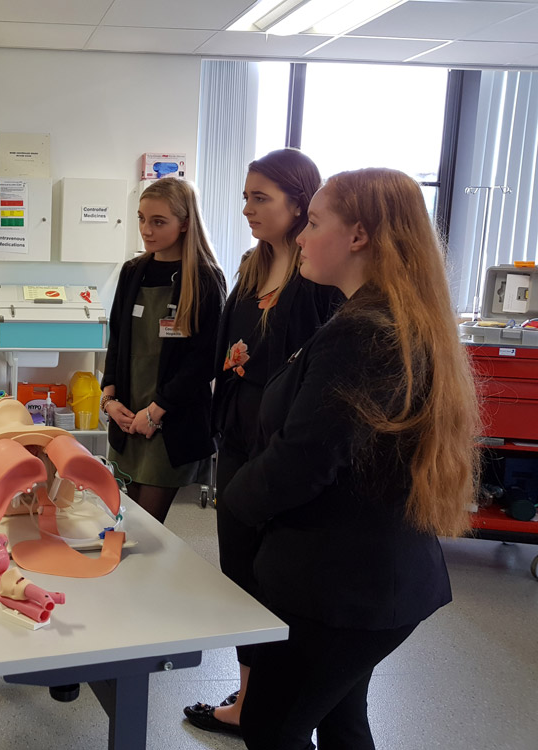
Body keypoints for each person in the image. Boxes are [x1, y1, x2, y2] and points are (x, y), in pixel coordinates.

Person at [195, 167, 479, 749]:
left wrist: (235, 501)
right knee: (343, 721)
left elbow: (304, 458)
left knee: (272, 727)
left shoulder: (365, 333)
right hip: (367, 583)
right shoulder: (376, 318)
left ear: (359, 236)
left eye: (315, 222)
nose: (301, 235)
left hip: (345, 587)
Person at [185, 148, 343, 732]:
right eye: (246, 196)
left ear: (299, 204)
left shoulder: (319, 281)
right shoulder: (253, 265)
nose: (247, 208)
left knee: (275, 576)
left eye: (261, 198)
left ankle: (268, 701)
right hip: (238, 441)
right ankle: (248, 697)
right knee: (240, 572)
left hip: (282, 449)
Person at [100, 177, 226, 523]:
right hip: (129, 417)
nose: (146, 230)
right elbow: (118, 338)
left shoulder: (204, 278)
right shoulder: (133, 272)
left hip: (170, 420)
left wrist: (156, 412)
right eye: (141, 219)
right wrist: (109, 399)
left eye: (158, 222)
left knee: (145, 525)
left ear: (185, 224)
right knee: (122, 519)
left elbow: (204, 360)